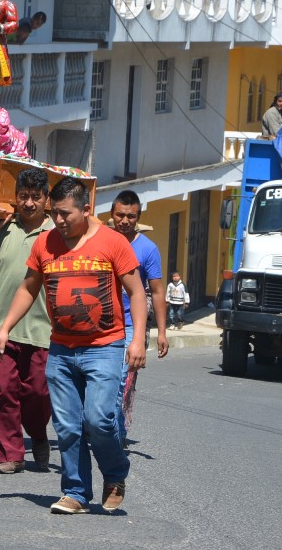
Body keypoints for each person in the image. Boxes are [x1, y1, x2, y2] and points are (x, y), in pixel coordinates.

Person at [0, 177, 149, 515]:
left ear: (87, 209)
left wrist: (138, 341)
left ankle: (115, 472)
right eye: (55, 213)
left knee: (100, 420)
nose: (59, 221)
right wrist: (5, 327)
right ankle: (76, 492)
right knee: (66, 425)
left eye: (66, 214)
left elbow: (137, 292)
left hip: (104, 347)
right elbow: (28, 287)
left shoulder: (113, 242)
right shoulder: (46, 243)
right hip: (61, 348)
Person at [0, 168, 53, 474]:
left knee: (37, 393)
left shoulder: (56, 233)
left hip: (42, 328)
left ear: (46, 199)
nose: (29, 203)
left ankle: (39, 434)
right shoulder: (3, 227)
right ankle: (10, 454)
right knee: (2, 392)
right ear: (15, 198)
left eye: (36, 197)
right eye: (24, 196)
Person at [109, 191, 168, 445]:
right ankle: (100, 425)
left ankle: (116, 433)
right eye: (120, 214)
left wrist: (161, 333)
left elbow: (156, 291)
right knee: (103, 380)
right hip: (102, 323)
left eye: (130, 216)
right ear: (112, 214)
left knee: (123, 380)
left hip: (132, 324)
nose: (124, 220)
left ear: (138, 217)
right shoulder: (101, 240)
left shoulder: (148, 249)